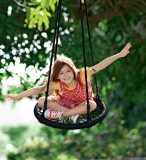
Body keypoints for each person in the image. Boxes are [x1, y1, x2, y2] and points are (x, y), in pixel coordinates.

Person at [4, 43, 131, 123]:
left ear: (73, 70)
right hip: (66, 104)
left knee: (91, 105)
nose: (65, 75)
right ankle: (72, 114)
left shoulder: (82, 75)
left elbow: (100, 66)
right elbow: (38, 90)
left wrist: (119, 55)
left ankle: (65, 114)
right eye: (61, 73)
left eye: (68, 71)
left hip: (83, 103)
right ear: (57, 76)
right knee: (41, 101)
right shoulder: (58, 84)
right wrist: (17, 96)